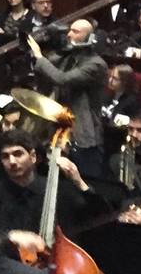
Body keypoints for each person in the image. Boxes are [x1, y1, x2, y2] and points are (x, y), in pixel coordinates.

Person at [28, 20, 109, 179]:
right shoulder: (68, 57)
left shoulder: (96, 64)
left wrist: (39, 56)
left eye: (75, 31)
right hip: (61, 126)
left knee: (84, 178)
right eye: (69, 30)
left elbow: (62, 79)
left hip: (84, 131)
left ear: (89, 37)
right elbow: (46, 71)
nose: (69, 34)